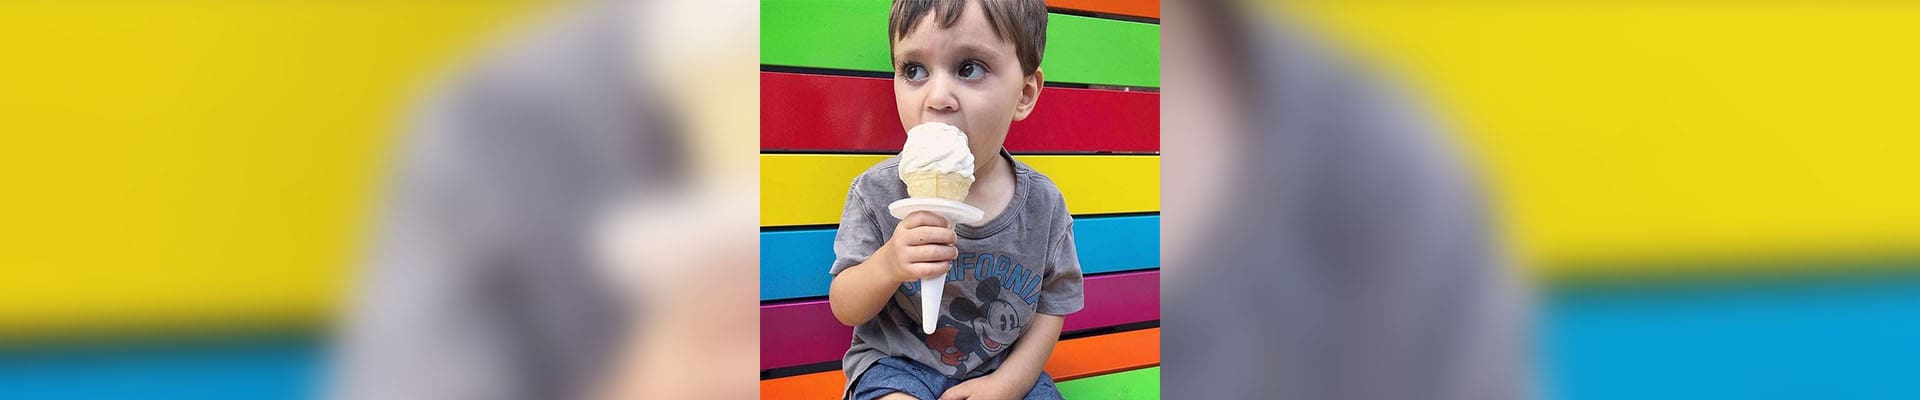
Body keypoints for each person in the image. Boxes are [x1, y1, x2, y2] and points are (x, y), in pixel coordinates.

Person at [824, 1, 1082, 399]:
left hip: (1002, 372)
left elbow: (1054, 304)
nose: (937, 96)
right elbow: (845, 305)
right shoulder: (874, 193)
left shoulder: (1043, 205)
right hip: (898, 366)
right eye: (914, 70)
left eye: (969, 68)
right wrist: (889, 264)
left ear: (1024, 94)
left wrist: (1007, 385)